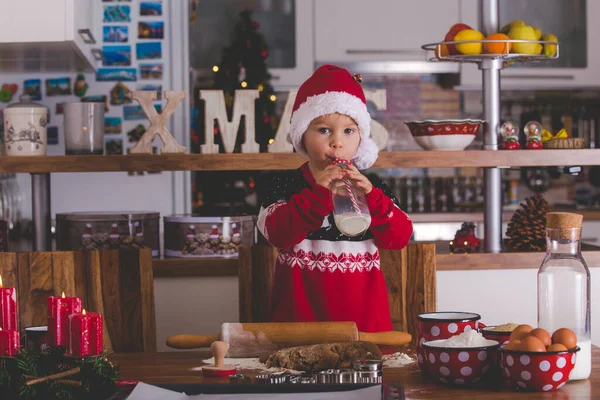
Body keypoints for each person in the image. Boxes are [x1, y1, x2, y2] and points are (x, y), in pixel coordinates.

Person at [256, 65, 413, 332]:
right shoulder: (285, 186)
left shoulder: (372, 189)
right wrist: (318, 194)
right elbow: (277, 234)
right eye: (324, 130)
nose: (337, 142)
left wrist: (373, 199)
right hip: (298, 328)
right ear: (302, 136)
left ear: (362, 137)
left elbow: (399, 238)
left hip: (364, 330)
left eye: (348, 131)